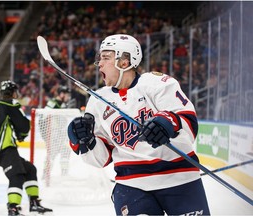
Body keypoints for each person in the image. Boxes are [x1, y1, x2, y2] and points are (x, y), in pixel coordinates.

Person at [67, 34, 211, 215]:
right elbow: (102, 158)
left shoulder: (157, 83)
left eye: (105, 58)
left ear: (124, 62)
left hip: (179, 178)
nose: (99, 64)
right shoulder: (97, 101)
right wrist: (84, 142)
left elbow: (189, 126)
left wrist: (167, 123)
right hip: (131, 185)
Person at [0, 80, 53, 216]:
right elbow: (24, 125)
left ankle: (34, 203)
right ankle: (13, 208)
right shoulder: (10, 104)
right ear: (12, 93)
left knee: (29, 169)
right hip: (4, 149)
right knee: (16, 175)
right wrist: (21, 135)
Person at [41, 85, 76, 179]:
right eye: (67, 95)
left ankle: (63, 174)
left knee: (65, 151)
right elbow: (42, 118)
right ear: (61, 94)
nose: (68, 97)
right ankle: (45, 174)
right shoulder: (53, 103)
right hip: (53, 134)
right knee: (52, 154)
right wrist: (46, 135)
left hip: (59, 134)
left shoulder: (60, 104)